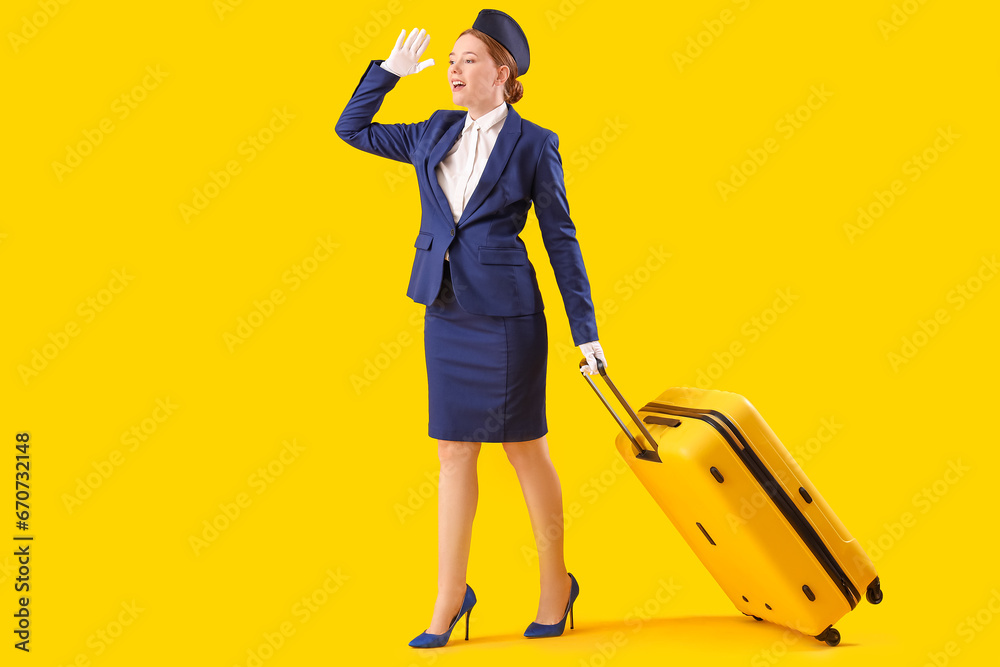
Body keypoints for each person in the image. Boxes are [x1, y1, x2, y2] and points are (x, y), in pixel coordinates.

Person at [336, 9, 608, 648]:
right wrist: (386, 75)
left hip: (510, 315)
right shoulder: (432, 131)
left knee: (523, 447)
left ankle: (554, 587)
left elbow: (561, 238)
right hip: (447, 309)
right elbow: (350, 129)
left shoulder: (535, 142)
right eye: (452, 61)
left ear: (502, 71)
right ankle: (450, 596)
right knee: (453, 453)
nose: (454, 70)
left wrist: (585, 331)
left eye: (468, 60)